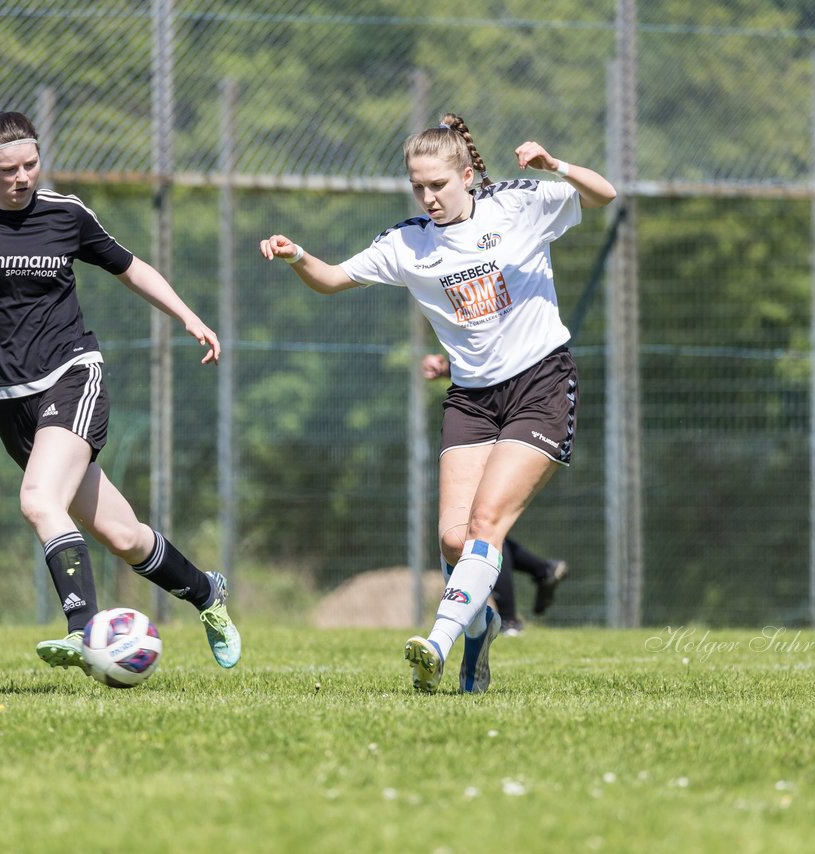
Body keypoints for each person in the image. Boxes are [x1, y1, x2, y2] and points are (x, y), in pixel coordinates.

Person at [0, 110, 240, 674]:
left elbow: (131, 267)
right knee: (122, 534)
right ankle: (206, 593)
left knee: (38, 501)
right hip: (7, 398)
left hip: (72, 375)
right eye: (9, 169)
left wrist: (189, 317)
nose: (22, 178)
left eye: (31, 165)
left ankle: (82, 627)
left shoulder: (66, 214)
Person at [261, 113, 615, 692]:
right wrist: (297, 254)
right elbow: (329, 279)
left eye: (438, 185)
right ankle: (482, 628)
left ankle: (440, 640)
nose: (428, 197)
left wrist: (558, 167)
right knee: (453, 539)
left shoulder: (518, 205)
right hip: (471, 400)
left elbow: (604, 195)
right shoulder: (408, 243)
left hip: (541, 385)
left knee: (485, 525)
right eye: (417, 187)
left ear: (469, 175)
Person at [421, 353, 569, 636]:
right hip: (480, 406)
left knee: (486, 525)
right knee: (470, 530)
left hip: (530, 402)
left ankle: (509, 617)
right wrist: (450, 367)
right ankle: (542, 571)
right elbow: (488, 342)